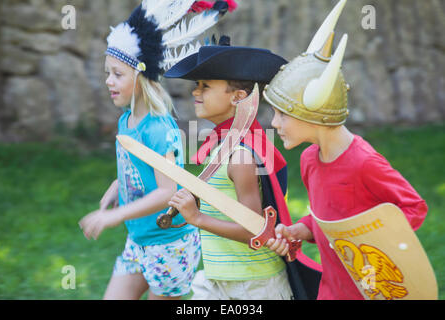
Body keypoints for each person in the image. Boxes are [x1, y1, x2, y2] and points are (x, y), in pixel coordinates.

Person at [264, 0, 428, 300]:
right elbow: (331, 217)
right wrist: (301, 230)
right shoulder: (309, 158)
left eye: (282, 114)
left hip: (369, 291)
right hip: (331, 291)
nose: (274, 123)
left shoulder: (364, 163)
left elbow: (413, 208)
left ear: (313, 113)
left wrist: (370, 242)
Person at [78, 1, 234, 300]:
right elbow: (140, 170)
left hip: (169, 247)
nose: (108, 81)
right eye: (107, 72)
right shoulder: (127, 121)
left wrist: (115, 216)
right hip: (137, 241)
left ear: (140, 77)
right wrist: (116, 186)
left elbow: (167, 192)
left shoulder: (159, 129)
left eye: (117, 74)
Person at [164, 36, 298, 300]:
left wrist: (197, 218)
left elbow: (254, 228)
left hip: (253, 286)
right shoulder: (221, 146)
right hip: (218, 280)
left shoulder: (239, 155)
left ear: (237, 97)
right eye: (196, 85)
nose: (195, 92)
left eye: (206, 86)